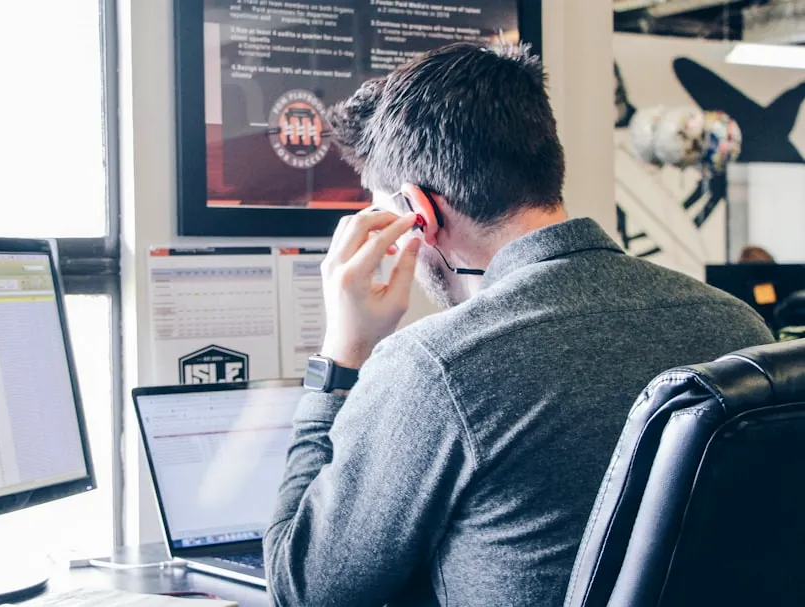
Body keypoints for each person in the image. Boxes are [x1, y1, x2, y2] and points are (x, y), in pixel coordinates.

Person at [265, 41, 774, 607]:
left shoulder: (437, 367)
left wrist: (340, 355)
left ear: (419, 212)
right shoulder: (738, 328)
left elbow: (306, 589)